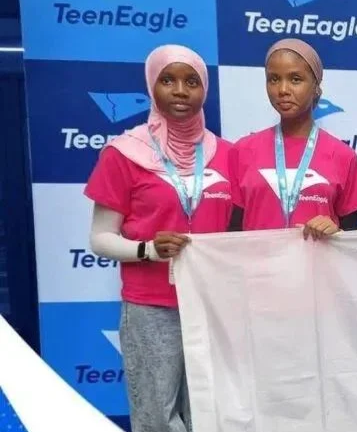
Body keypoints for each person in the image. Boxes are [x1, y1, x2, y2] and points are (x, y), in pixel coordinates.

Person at [85, 44, 232, 432]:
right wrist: (148, 249)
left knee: (210, 413)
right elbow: (100, 238)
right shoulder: (124, 153)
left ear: (205, 90)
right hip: (152, 307)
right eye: (168, 80)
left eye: (191, 82)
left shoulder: (227, 154)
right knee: (157, 418)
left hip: (212, 304)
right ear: (152, 86)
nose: (180, 91)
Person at [227, 39, 357, 239]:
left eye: (295, 79)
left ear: (316, 87)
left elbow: (354, 237)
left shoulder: (344, 156)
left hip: (320, 260)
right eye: (274, 79)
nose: (283, 89)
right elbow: (232, 235)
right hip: (257, 260)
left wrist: (337, 233)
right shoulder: (242, 150)